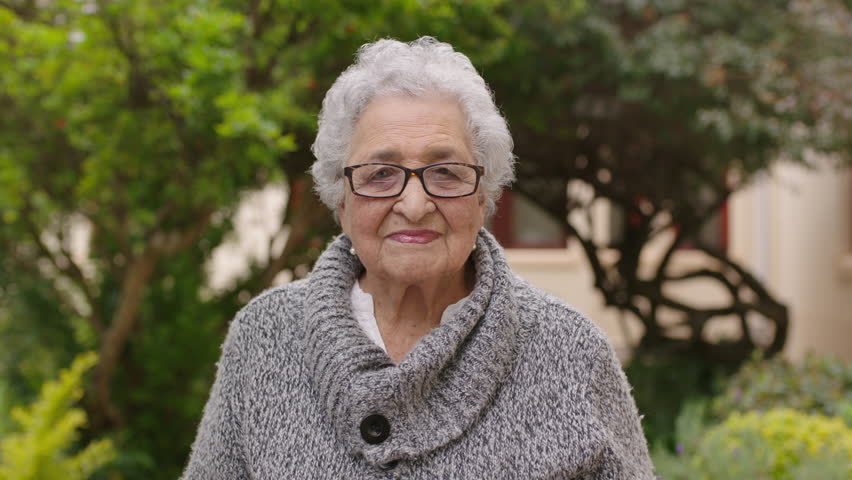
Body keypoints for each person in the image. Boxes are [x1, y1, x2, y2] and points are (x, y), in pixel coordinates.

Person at [181, 37, 654, 479]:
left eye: (445, 172)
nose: (413, 204)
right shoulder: (264, 337)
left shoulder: (572, 353)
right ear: (341, 202)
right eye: (381, 174)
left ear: (483, 197)